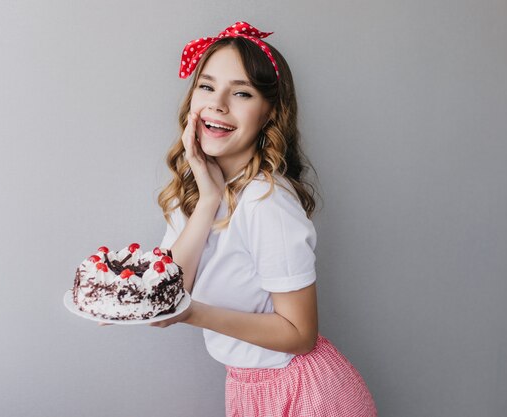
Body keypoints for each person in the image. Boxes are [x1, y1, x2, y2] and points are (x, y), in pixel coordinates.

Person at [154, 22, 377, 416]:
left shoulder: (265, 200)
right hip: (247, 386)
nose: (218, 104)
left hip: (306, 392)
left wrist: (190, 314)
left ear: (269, 111)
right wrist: (208, 200)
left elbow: (300, 334)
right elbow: (171, 287)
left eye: (241, 93)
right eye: (206, 87)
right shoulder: (194, 191)